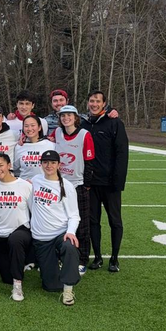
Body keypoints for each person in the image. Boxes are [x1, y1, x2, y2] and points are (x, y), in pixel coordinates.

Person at [81, 90, 128, 273]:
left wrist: (118, 182)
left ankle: (115, 258)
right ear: (87, 103)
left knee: (115, 221)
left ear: (104, 104)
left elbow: (122, 153)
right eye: (91, 101)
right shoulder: (83, 123)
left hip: (110, 184)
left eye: (97, 101)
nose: (94, 104)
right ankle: (98, 257)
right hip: (91, 183)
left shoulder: (114, 122)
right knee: (93, 221)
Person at [31, 150, 81, 306]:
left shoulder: (67, 186)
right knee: (51, 286)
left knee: (70, 246)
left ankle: (68, 289)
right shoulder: (35, 180)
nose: (49, 166)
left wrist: (70, 232)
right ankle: (58, 265)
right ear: (41, 164)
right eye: (45, 162)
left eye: (53, 162)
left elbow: (74, 215)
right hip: (42, 238)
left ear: (59, 165)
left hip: (60, 234)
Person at [0, 153, 33, 302]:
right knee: (6, 278)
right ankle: (19, 263)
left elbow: (34, 211)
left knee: (15, 240)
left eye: (1, 165)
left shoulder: (25, 185)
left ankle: (18, 286)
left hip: (20, 231)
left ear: (9, 165)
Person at [55, 105, 95, 275]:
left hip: (77, 185)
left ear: (76, 117)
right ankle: (63, 257)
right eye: (63, 116)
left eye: (69, 115)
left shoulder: (84, 134)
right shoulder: (57, 133)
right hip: (59, 185)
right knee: (62, 223)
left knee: (82, 225)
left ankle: (82, 259)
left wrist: (86, 184)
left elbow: (90, 161)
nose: (66, 118)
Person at [13, 115, 55, 180]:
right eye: (26, 126)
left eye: (32, 125)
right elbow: (14, 167)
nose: (29, 129)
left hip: (43, 184)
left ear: (39, 127)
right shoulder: (19, 146)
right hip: (25, 184)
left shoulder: (51, 145)